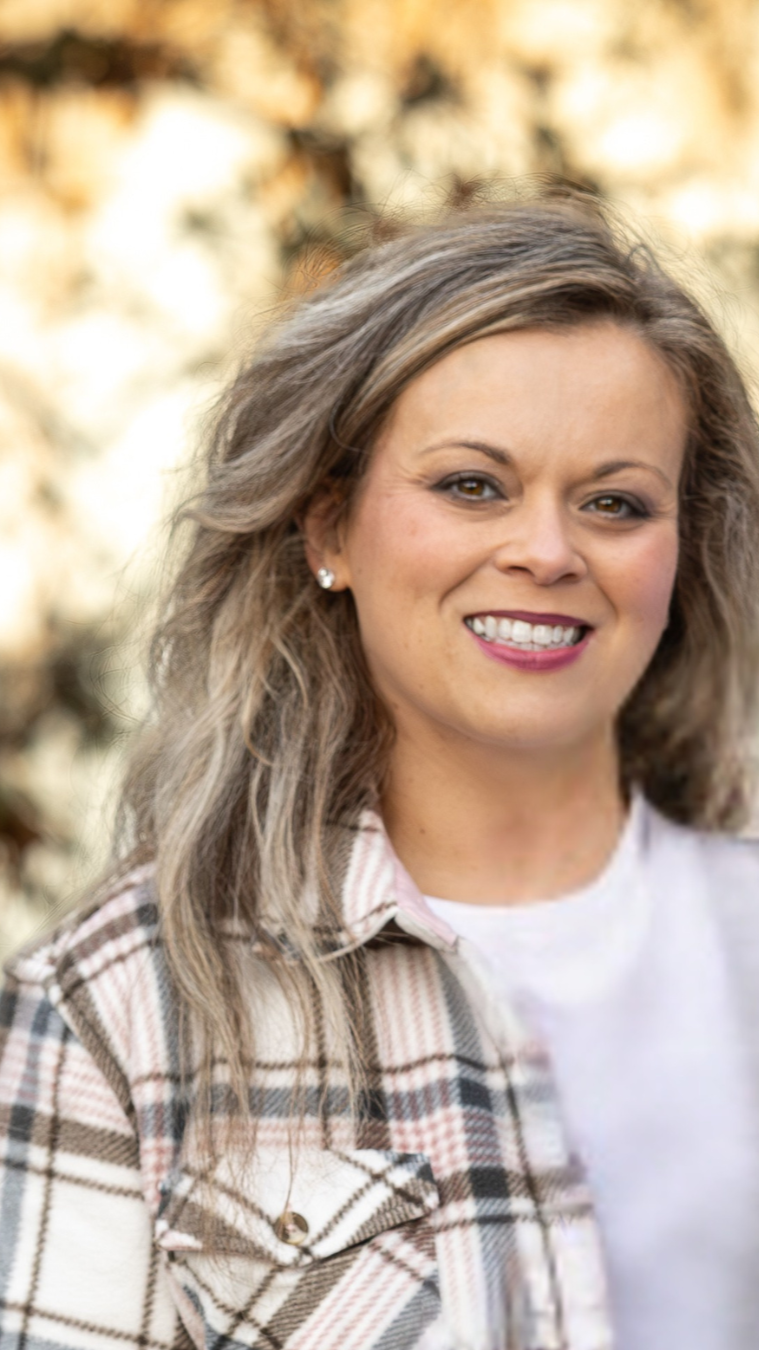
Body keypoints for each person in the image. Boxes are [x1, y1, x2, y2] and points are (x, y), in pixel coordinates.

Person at [2, 190, 759, 1350]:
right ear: (329, 532)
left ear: (681, 549)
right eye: (472, 486)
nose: (547, 552)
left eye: (615, 503)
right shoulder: (121, 1012)